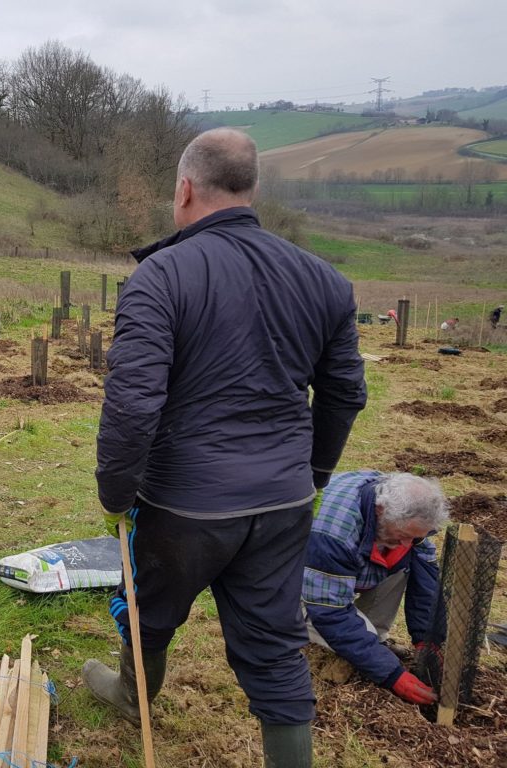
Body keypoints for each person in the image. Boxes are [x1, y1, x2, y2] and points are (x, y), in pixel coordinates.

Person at [86, 127, 367, 767]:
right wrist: (314, 473)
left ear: (184, 188)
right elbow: (345, 394)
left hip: (185, 502)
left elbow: (132, 404)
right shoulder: (324, 279)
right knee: (273, 645)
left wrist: (115, 495)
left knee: (149, 611)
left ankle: (136, 697)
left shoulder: (160, 277)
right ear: (252, 189)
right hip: (284, 499)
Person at [302, 471, 447, 705]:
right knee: (335, 626)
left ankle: (372, 638)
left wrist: (427, 638)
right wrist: (392, 675)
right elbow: (330, 613)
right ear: (380, 511)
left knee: (406, 559)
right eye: (403, 535)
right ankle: (302, 624)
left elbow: (426, 578)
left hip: (343, 570)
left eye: (415, 537)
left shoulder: (402, 518)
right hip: (296, 582)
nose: (408, 543)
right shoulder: (333, 534)